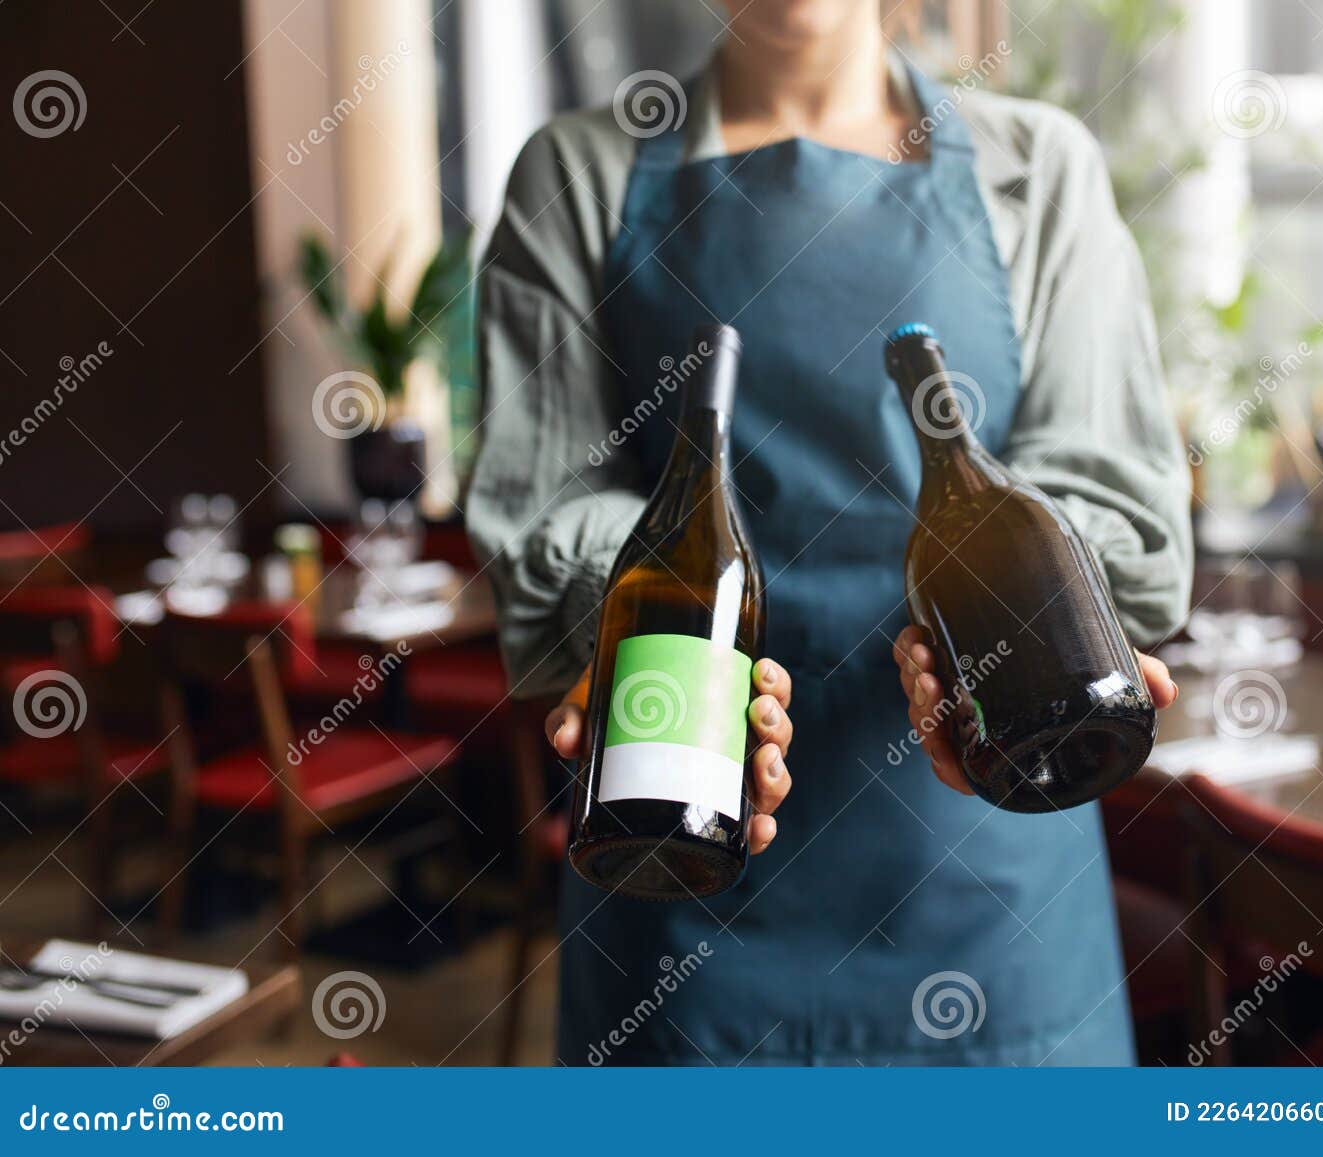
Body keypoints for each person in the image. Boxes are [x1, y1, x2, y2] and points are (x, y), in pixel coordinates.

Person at [467, 0, 1191, 1066]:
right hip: (681, 838)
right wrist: (650, 636)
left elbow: (1109, 491)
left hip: (988, 871)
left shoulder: (1038, 169)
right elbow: (543, 500)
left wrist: (1021, 632)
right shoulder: (577, 174)